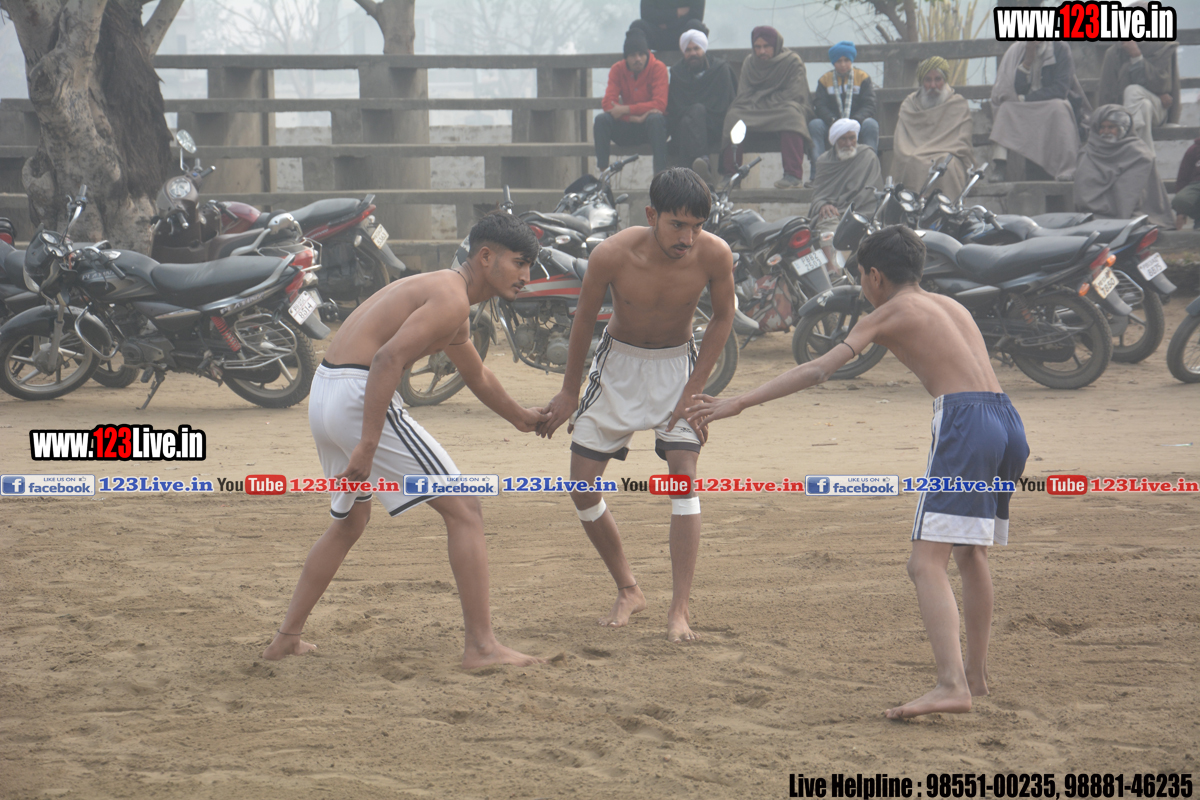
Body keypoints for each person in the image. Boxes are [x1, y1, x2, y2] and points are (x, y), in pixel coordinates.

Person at [686, 225, 1029, 719]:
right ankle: (974, 676)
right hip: (1006, 419)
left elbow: (818, 369)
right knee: (970, 553)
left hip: (967, 423)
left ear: (874, 276)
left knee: (924, 564)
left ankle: (952, 685)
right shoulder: (950, 305)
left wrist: (738, 401)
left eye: (862, 278)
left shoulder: (887, 313)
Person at [263, 213, 548, 669]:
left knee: (350, 522)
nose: (526, 276)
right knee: (465, 508)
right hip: (357, 393)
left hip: (327, 392)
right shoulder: (451, 299)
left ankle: (286, 639)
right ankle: (481, 647)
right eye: (519, 263)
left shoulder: (445, 294)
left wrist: (521, 417)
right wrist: (368, 444)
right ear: (486, 257)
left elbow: (476, 373)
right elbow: (387, 359)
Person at [538, 168, 735, 643]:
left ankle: (679, 610)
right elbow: (584, 318)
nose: (687, 238)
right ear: (651, 215)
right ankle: (629, 588)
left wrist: (694, 388)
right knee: (581, 486)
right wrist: (569, 391)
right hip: (617, 366)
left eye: (697, 226)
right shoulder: (612, 254)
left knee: (683, 479)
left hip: (677, 368)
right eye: (677, 224)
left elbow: (724, 316)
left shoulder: (715, 254)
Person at [720, 26, 813, 189]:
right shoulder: (750, 63)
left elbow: (794, 93)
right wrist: (761, 101)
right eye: (757, 47)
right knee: (733, 116)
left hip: (781, 109)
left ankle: (792, 175)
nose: (762, 51)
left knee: (793, 116)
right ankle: (732, 175)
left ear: (776, 45)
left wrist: (761, 100)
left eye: (766, 46)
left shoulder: (792, 62)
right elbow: (743, 94)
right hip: (754, 110)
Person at [989, 41, 1089, 182]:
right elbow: (1015, 89)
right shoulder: (1018, 50)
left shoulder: (1060, 48)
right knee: (1005, 109)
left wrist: (1027, 99)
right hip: (1025, 107)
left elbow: (1060, 89)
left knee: (1059, 108)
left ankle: (1066, 168)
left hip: (1050, 103)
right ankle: (1000, 166)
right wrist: (1027, 61)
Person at [1074, 104, 1173, 229]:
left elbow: (1131, 193)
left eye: (1111, 127)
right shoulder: (1087, 153)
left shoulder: (1139, 154)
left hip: (1132, 213)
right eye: (1102, 127)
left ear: (1123, 128)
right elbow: (1084, 191)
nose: (1106, 131)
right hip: (1094, 214)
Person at [891, 56, 975, 199]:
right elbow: (901, 142)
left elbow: (962, 143)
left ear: (945, 80)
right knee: (911, 161)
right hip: (914, 152)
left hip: (947, 153)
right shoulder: (909, 105)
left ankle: (948, 209)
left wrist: (938, 151)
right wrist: (917, 153)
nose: (933, 85)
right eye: (928, 80)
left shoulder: (958, 104)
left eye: (938, 79)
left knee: (947, 164)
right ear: (922, 82)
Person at [596, 28, 670, 176]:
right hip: (628, 126)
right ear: (626, 58)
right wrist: (633, 118)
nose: (638, 59)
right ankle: (603, 175)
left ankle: (661, 176)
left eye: (641, 54)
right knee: (601, 120)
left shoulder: (658, 68)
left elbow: (659, 105)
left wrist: (625, 110)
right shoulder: (617, 69)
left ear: (647, 53)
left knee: (656, 119)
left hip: (651, 129)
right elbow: (608, 104)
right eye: (632, 55)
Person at [1099, 27, 1180, 157]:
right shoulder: (1114, 53)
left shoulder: (1163, 47)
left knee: (1133, 91)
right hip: (1125, 111)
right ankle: (1146, 159)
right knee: (1143, 105)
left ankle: (1129, 142)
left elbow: (1163, 83)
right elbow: (1107, 91)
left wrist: (1136, 56)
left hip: (1159, 109)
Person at [666, 29, 736, 171]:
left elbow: (725, 104)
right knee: (689, 119)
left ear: (703, 49)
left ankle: (685, 174)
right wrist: (695, 115)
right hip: (686, 126)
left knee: (694, 114)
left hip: (713, 125)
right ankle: (702, 163)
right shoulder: (677, 73)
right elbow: (676, 108)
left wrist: (699, 113)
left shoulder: (720, 69)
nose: (692, 53)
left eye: (696, 48)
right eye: (688, 50)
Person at [810, 41, 879, 168]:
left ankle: (870, 167)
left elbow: (869, 104)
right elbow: (820, 105)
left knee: (871, 125)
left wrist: (855, 121)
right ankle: (818, 170)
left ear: (851, 60)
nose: (842, 64)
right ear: (833, 62)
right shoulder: (825, 80)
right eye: (838, 61)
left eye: (846, 60)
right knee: (815, 125)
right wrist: (833, 120)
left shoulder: (862, 77)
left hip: (857, 122)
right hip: (832, 123)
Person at [808, 118, 881, 235]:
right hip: (834, 211)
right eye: (843, 139)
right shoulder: (824, 161)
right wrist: (823, 205)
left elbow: (872, 193)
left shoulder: (868, 156)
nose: (848, 144)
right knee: (827, 226)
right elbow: (818, 195)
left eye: (852, 138)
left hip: (863, 210)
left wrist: (852, 212)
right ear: (836, 140)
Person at [628, 0, 707, 53]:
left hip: (684, 37)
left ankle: (696, 64)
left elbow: (696, 15)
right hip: (658, 36)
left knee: (696, 26)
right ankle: (639, 63)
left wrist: (668, 25)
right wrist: (677, 12)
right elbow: (646, 14)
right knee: (637, 26)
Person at [1171, 135, 1200, 229]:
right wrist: (1180, 212)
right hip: (1196, 184)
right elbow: (1183, 177)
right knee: (1180, 200)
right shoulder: (1194, 149)